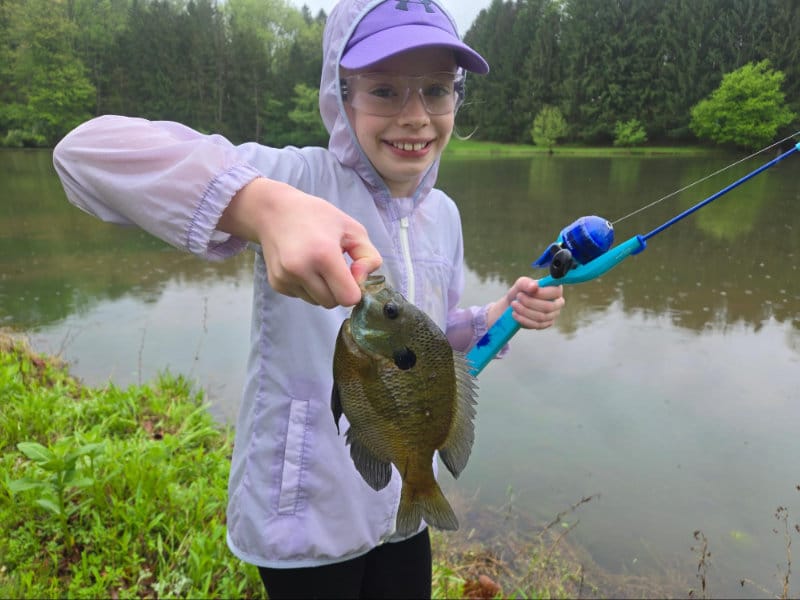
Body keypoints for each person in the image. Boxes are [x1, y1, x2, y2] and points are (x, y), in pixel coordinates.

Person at [53, 0, 565, 597]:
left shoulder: (445, 214)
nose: (415, 116)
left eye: (435, 89)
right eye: (383, 90)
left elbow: (428, 339)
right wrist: (261, 208)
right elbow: (83, 156)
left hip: (401, 496)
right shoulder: (295, 180)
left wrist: (490, 319)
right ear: (341, 96)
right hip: (304, 515)